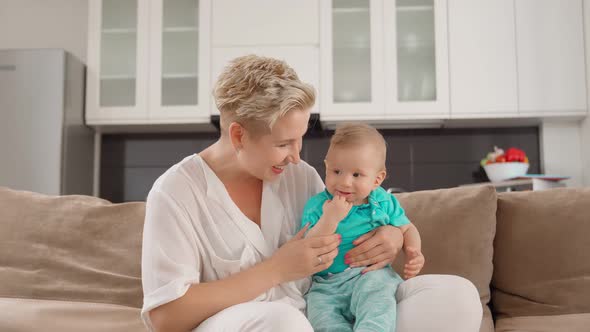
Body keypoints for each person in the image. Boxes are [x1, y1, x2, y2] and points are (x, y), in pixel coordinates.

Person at [141, 55, 483, 332]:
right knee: (283, 323)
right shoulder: (175, 193)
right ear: (238, 135)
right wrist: (275, 270)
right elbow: (166, 317)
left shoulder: (299, 176)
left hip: (321, 316)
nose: (297, 155)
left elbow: (349, 223)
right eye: (283, 143)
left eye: (300, 138)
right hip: (251, 325)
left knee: (456, 297)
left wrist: (393, 234)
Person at [302, 123, 424, 332]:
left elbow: (407, 228)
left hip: (369, 275)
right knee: (321, 317)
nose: (344, 182)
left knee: (377, 302)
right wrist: (330, 218)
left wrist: (414, 251)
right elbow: (308, 247)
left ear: (377, 179)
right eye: (336, 171)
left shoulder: (383, 202)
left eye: (356, 175)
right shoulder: (317, 206)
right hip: (325, 285)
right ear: (326, 166)